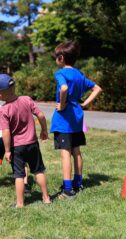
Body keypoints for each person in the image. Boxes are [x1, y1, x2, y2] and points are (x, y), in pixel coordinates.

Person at [50, 41, 102, 199]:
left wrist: (63, 103)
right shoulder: (79, 74)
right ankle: (78, 183)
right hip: (77, 118)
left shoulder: (60, 73)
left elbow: (64, 88)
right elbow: (97, 88)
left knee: (65, 153)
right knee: (76, 151)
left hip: (64, 119)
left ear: (61, 58)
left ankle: (67, 189)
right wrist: (85, 103)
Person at [0, 74, 51, 208]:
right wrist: (44, 130)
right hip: (33, 143)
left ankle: (20, 203)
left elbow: (5, 132)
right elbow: (40, 114)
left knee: (19, 175)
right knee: (38, 171)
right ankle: (46, 198)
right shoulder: (26, 99)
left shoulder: (3, 110)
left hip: (17, 147)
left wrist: (7, 151)